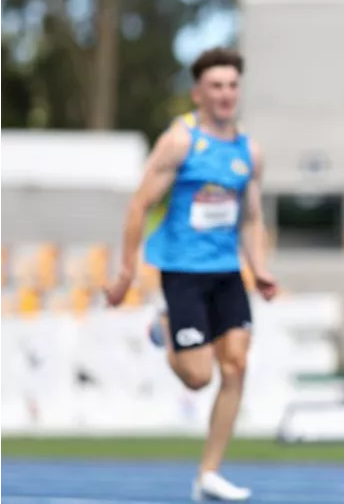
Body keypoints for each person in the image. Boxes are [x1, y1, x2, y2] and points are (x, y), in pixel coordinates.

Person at [107, 48, 277, 502]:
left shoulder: (249, 152)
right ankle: (164, 328)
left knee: (237, 365)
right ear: (198, 93)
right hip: (182, 271)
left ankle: (209, 474)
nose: (225, 94)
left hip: (226, 272)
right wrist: (125, 272)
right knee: (199, 377)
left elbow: (251, 218)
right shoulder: (180, 142)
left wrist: (259, 268)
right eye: (216, 86)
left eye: (232, 85)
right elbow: (139, 204)